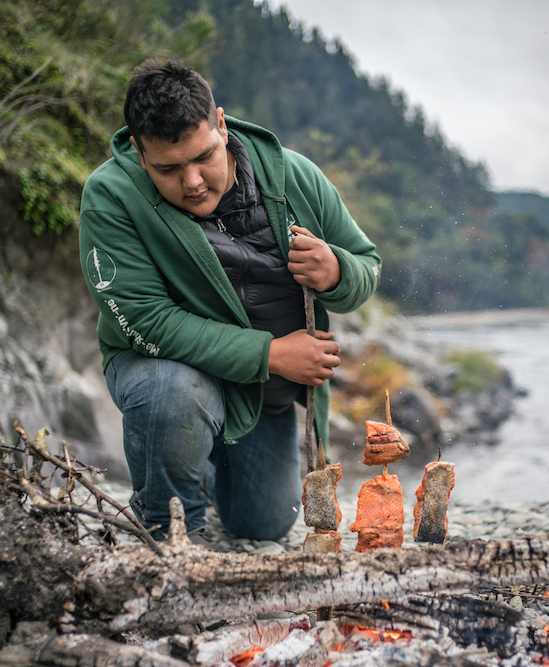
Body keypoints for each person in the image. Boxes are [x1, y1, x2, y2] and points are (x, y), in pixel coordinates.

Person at [78, 59, 380, 544]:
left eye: (203, 157)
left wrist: (336, 270)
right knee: (172, 393)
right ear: (137, 150)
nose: (193, 181)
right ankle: (170, 535)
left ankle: (198, 466)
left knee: (262, 523)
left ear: (220, 123)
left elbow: (367, 264)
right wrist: (274, 354)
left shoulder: (294, 176)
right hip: (167, 372)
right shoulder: (111, 197)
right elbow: (146, 320)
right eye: (169, 169)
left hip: (263, 396)